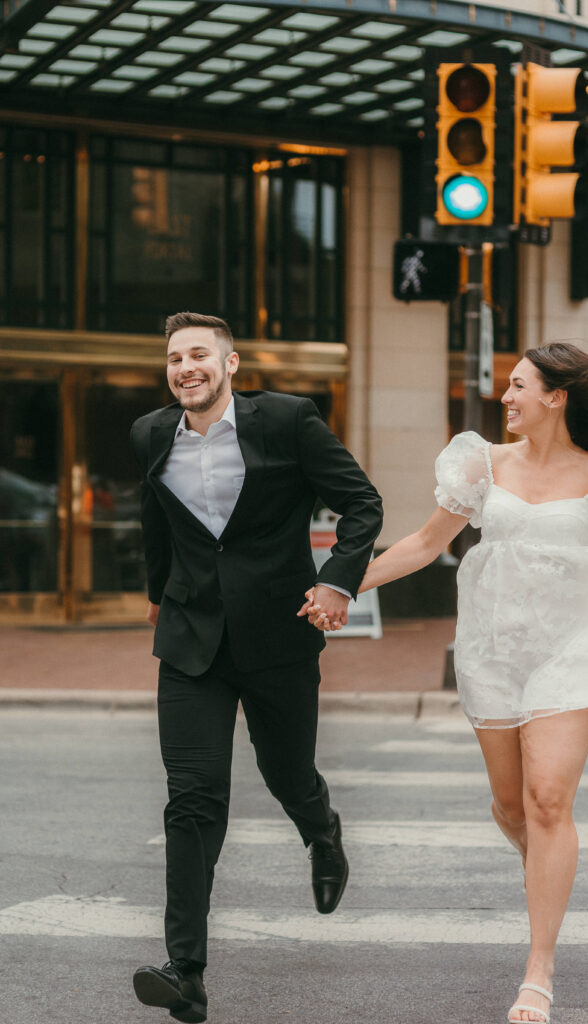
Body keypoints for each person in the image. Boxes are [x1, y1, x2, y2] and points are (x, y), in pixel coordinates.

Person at [303, 342, 588, 1024]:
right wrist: (338, 583)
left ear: (556, 396)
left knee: (545, 801)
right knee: (512, 809)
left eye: (518, 386)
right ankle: (549, 866)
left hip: (577, 641)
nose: (504, 397)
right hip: (496, 645)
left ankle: (537, 974)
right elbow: (422, 544)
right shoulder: (480, 465)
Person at [130, 311, 383, 1024]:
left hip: (279, 635)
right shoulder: (150, 434)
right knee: (193, 797)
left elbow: (362, 504)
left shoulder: (286, 421)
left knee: (286, 773)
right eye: (175, 357)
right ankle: (186, 972)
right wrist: (158, 597)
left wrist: (336, 579)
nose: (186, 367)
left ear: (231, 364)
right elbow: (157, 520)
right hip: (190, 640)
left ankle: (320, 830)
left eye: (200, 355)